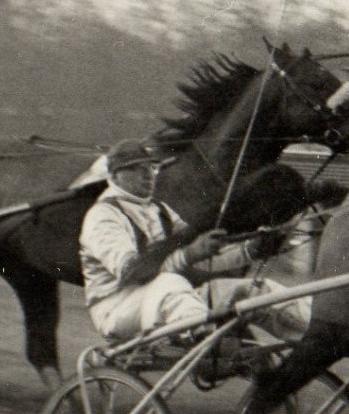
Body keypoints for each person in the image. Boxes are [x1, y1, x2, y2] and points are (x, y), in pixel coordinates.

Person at [78, 139, 310, 357]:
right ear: (116, 176)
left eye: (151, 168)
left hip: (170, 301)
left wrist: (250, 250)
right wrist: (190, 254)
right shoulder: (103, 217)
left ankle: (316, 332)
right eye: (137, 169)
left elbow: (204, 257)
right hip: (117, 308)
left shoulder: (160, 210)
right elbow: (132, 272)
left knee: (257, 290)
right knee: (171, 283)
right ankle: (205, 342)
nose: (148, 175)